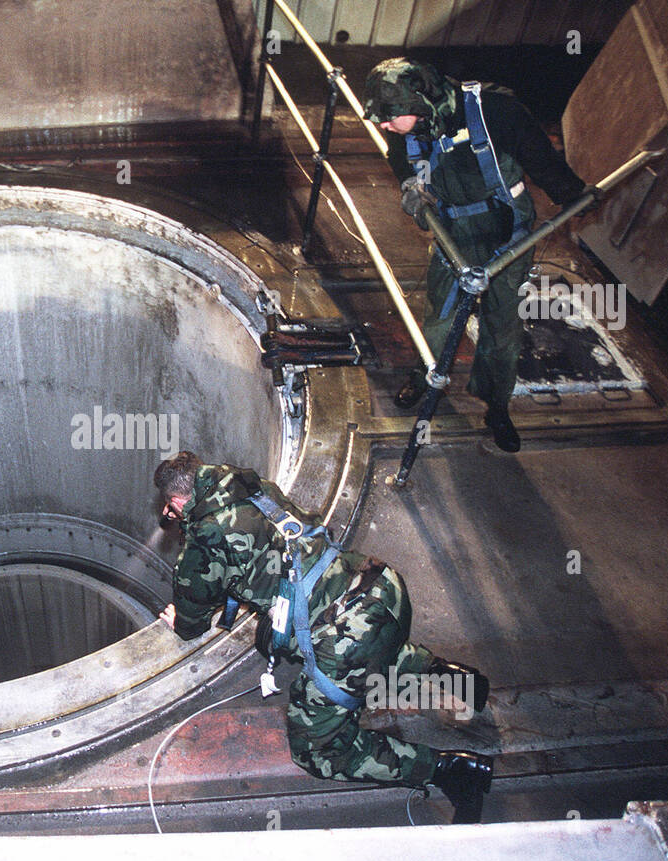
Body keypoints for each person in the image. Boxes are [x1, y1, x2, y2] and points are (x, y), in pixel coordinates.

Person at [155, 451, 495, 822]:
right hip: (378, 587)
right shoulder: (249, 484)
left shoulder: (205, 538)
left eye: (170, 509)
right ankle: (458, 681)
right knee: (370, 652)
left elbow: (192, 622)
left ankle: (451, 771)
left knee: (317, 752)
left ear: (176, 502)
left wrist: (179, 619)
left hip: (347, 635)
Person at [363, 58, 589, 452]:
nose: (384, 126)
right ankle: (427, 371)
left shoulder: (495, 111)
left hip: (507, 228)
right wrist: (409, 188)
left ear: (421, 102)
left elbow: (543, 160)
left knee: (503, 326)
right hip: (453, 232)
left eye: (390, 117)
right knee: (440, 314)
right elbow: (398, 157)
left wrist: (575, 195)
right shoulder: (408, 123)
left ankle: (496, 405)